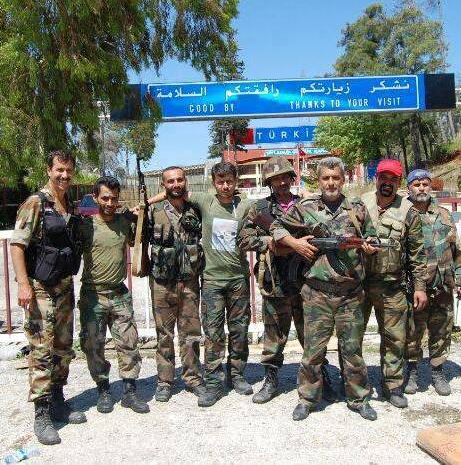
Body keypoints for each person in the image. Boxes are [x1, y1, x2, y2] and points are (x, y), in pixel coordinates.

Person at [271, 157, 378, 422]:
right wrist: (295, 244)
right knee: (313, 352)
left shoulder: (356, 208)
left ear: (343, 180)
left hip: (350, 293)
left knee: (352, 350)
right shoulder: (304, 208)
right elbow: (275, 227)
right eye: (325, 178)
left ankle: (358, 398)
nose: (331, 183)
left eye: (336, 178)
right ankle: (308, 399)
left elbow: (372, 236)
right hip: (316, 293)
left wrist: (370, 246)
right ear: (318, 181)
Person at [149, 162, 253, 407]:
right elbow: (173, 192)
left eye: (229, 181)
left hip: (238, 279)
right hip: (211, 281)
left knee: (239, 330)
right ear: (213, 183)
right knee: (213, 334)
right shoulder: (205, 202)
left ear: (236, 181)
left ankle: (236, 374)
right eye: (220, 181)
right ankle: (214, 380)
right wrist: (143, 204)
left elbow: (265, 216)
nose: (225, 185)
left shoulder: (246, 205)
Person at [238, 157, 336, 404]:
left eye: (285, 177)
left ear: (292, 179)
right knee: (274, 335)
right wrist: (272, 243)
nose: (281, 182)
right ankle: (271, 381)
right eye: (275, 179)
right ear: (269, 182)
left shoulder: (308, 205)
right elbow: (243, 239)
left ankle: (321, 378)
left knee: (312, 335)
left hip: (307, 281)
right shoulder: (260, 209)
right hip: (276, 281)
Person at [10, 150, 86, 446]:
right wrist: (22, 284)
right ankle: (41, 414)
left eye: (68, 171)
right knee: (41, 349)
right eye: (59, 170)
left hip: (65, 286)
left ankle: (57, 401)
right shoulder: (36, 202)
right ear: (49, 170)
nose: (64, 176)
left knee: (63, 347)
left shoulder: (69, 204)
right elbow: (18, 244)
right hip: (41, 288)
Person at [78, 176, 148, 415]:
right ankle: (103, 389)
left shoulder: (123, 221)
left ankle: (129, 391)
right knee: (92, 345)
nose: (109, 202)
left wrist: (138, 214)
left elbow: (137, 235)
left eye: (114, 198)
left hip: (118, 293)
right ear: (95, 198)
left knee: (128, 342)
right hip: (93, 295)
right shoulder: (85, 226)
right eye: (105, 197)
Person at [361, 159, 427, 409]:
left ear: (398, 183)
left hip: (392, 286)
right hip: (360, 285)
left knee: (394, 339)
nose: (387, 183)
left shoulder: (409, 211)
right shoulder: (359, 204)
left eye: (393, 179)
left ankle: (393, 386)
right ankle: (356, 386)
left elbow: (417, 252)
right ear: (375, 178)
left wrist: (419, 286)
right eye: (383, 178)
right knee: (353, 339)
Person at [149, 166, 206, 402]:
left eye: (179, 180)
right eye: (170, 181)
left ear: (186, 181)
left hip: (189, 281)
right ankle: (164, 381)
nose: (176, 185)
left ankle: (193, 378)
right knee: (164, 335)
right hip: (162, 284)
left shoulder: (196, 209)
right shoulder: (153, 212)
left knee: (191, 333)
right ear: (164, 185)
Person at [404, 169, 461, 396]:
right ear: (409, 187)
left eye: (425, 184)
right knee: (413, 331)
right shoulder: (404, 214)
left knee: (441, 329)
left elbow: (457, 251)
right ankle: (413, 372)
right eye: (416, 184)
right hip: (415, 286)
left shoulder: (445, 215)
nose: (421, 188)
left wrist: (459, 278)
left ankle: (438, 371)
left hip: (443, 284)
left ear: (431, 186)